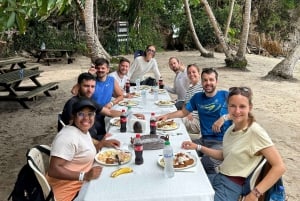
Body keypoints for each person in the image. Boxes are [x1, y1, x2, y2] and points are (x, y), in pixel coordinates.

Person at [181, 87, 286, 201]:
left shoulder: (255, 132)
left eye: (242, 106)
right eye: (233, 106)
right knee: (186, 185)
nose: (237, 111)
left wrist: (255, 193)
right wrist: (198, 147)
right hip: (220, 177)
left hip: (232, 186)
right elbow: (224, 155)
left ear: (249, 108)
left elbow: (279, 167)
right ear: (227, 107)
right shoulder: (231, 129)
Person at [157, 67, 232, 174]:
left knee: (206, 163)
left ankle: (212, 185)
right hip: (204, 140)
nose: (208, 83)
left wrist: (224, 118)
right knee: (180, 150)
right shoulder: (198, 97)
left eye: (211, 80)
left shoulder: (225, 95)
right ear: (201, 82)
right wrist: (167, 116)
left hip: (221, 143)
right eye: (205, 80)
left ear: (216, 81)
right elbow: (183, 112)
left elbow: (242, 114)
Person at [47, 98, 103, 201]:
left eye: (90, 114)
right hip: (68, 193)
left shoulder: (82, 130)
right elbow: (53, 170)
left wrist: (102, 144)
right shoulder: (68, 137)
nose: (86, 118)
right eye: (81, 114)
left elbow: (83, 152)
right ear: (73, 116)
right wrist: (84, 176)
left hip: (82, 185)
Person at [61, 72, 121, 146]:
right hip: (86, 145)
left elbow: (109, 112)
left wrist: (128, 115)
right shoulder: (72, 104)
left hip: (97, 137)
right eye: (86, 86)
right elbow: (77, 135)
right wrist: (101, 144)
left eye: (92, 87)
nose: (90, 90)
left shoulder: (89, 101)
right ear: (78, 86)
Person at [182, 64, 203, 135]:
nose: (191, 74)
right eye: (189, 73)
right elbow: (184, 104)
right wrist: (186, 113)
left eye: (194, 72)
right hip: (187, 117)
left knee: (176, 121)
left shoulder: (203, 87)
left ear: (199, 74)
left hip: (197, 121)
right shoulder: (189, 89)